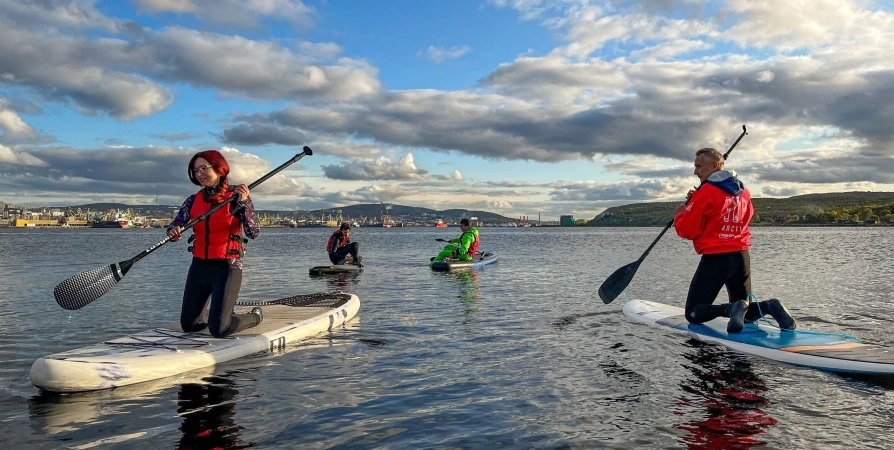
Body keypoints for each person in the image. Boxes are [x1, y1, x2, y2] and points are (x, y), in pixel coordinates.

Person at [674, 147, 796, 333]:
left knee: (694, 313)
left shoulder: (705, 192)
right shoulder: (743, 191)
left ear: (715, 166)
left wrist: (681, 213)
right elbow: (748, 216)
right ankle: (769, 306)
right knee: (745, 312)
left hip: (716, 258)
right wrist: (695, 202)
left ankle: (730, 309)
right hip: (741, 255)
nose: (695, 172)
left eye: (699, 166)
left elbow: (687, 230)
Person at [167, 150, 263, 338]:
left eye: (204, 168)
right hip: (200, 265)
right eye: (195, 170)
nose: (199, 173)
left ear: (219, 168)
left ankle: (254, 316)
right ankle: (220, 312)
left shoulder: (237, 196)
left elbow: (254, 232)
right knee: (190, 325)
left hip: (228, 265)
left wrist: (243, 204)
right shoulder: (193, 200)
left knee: (219, 329)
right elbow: (177, 223)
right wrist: (173, 232)